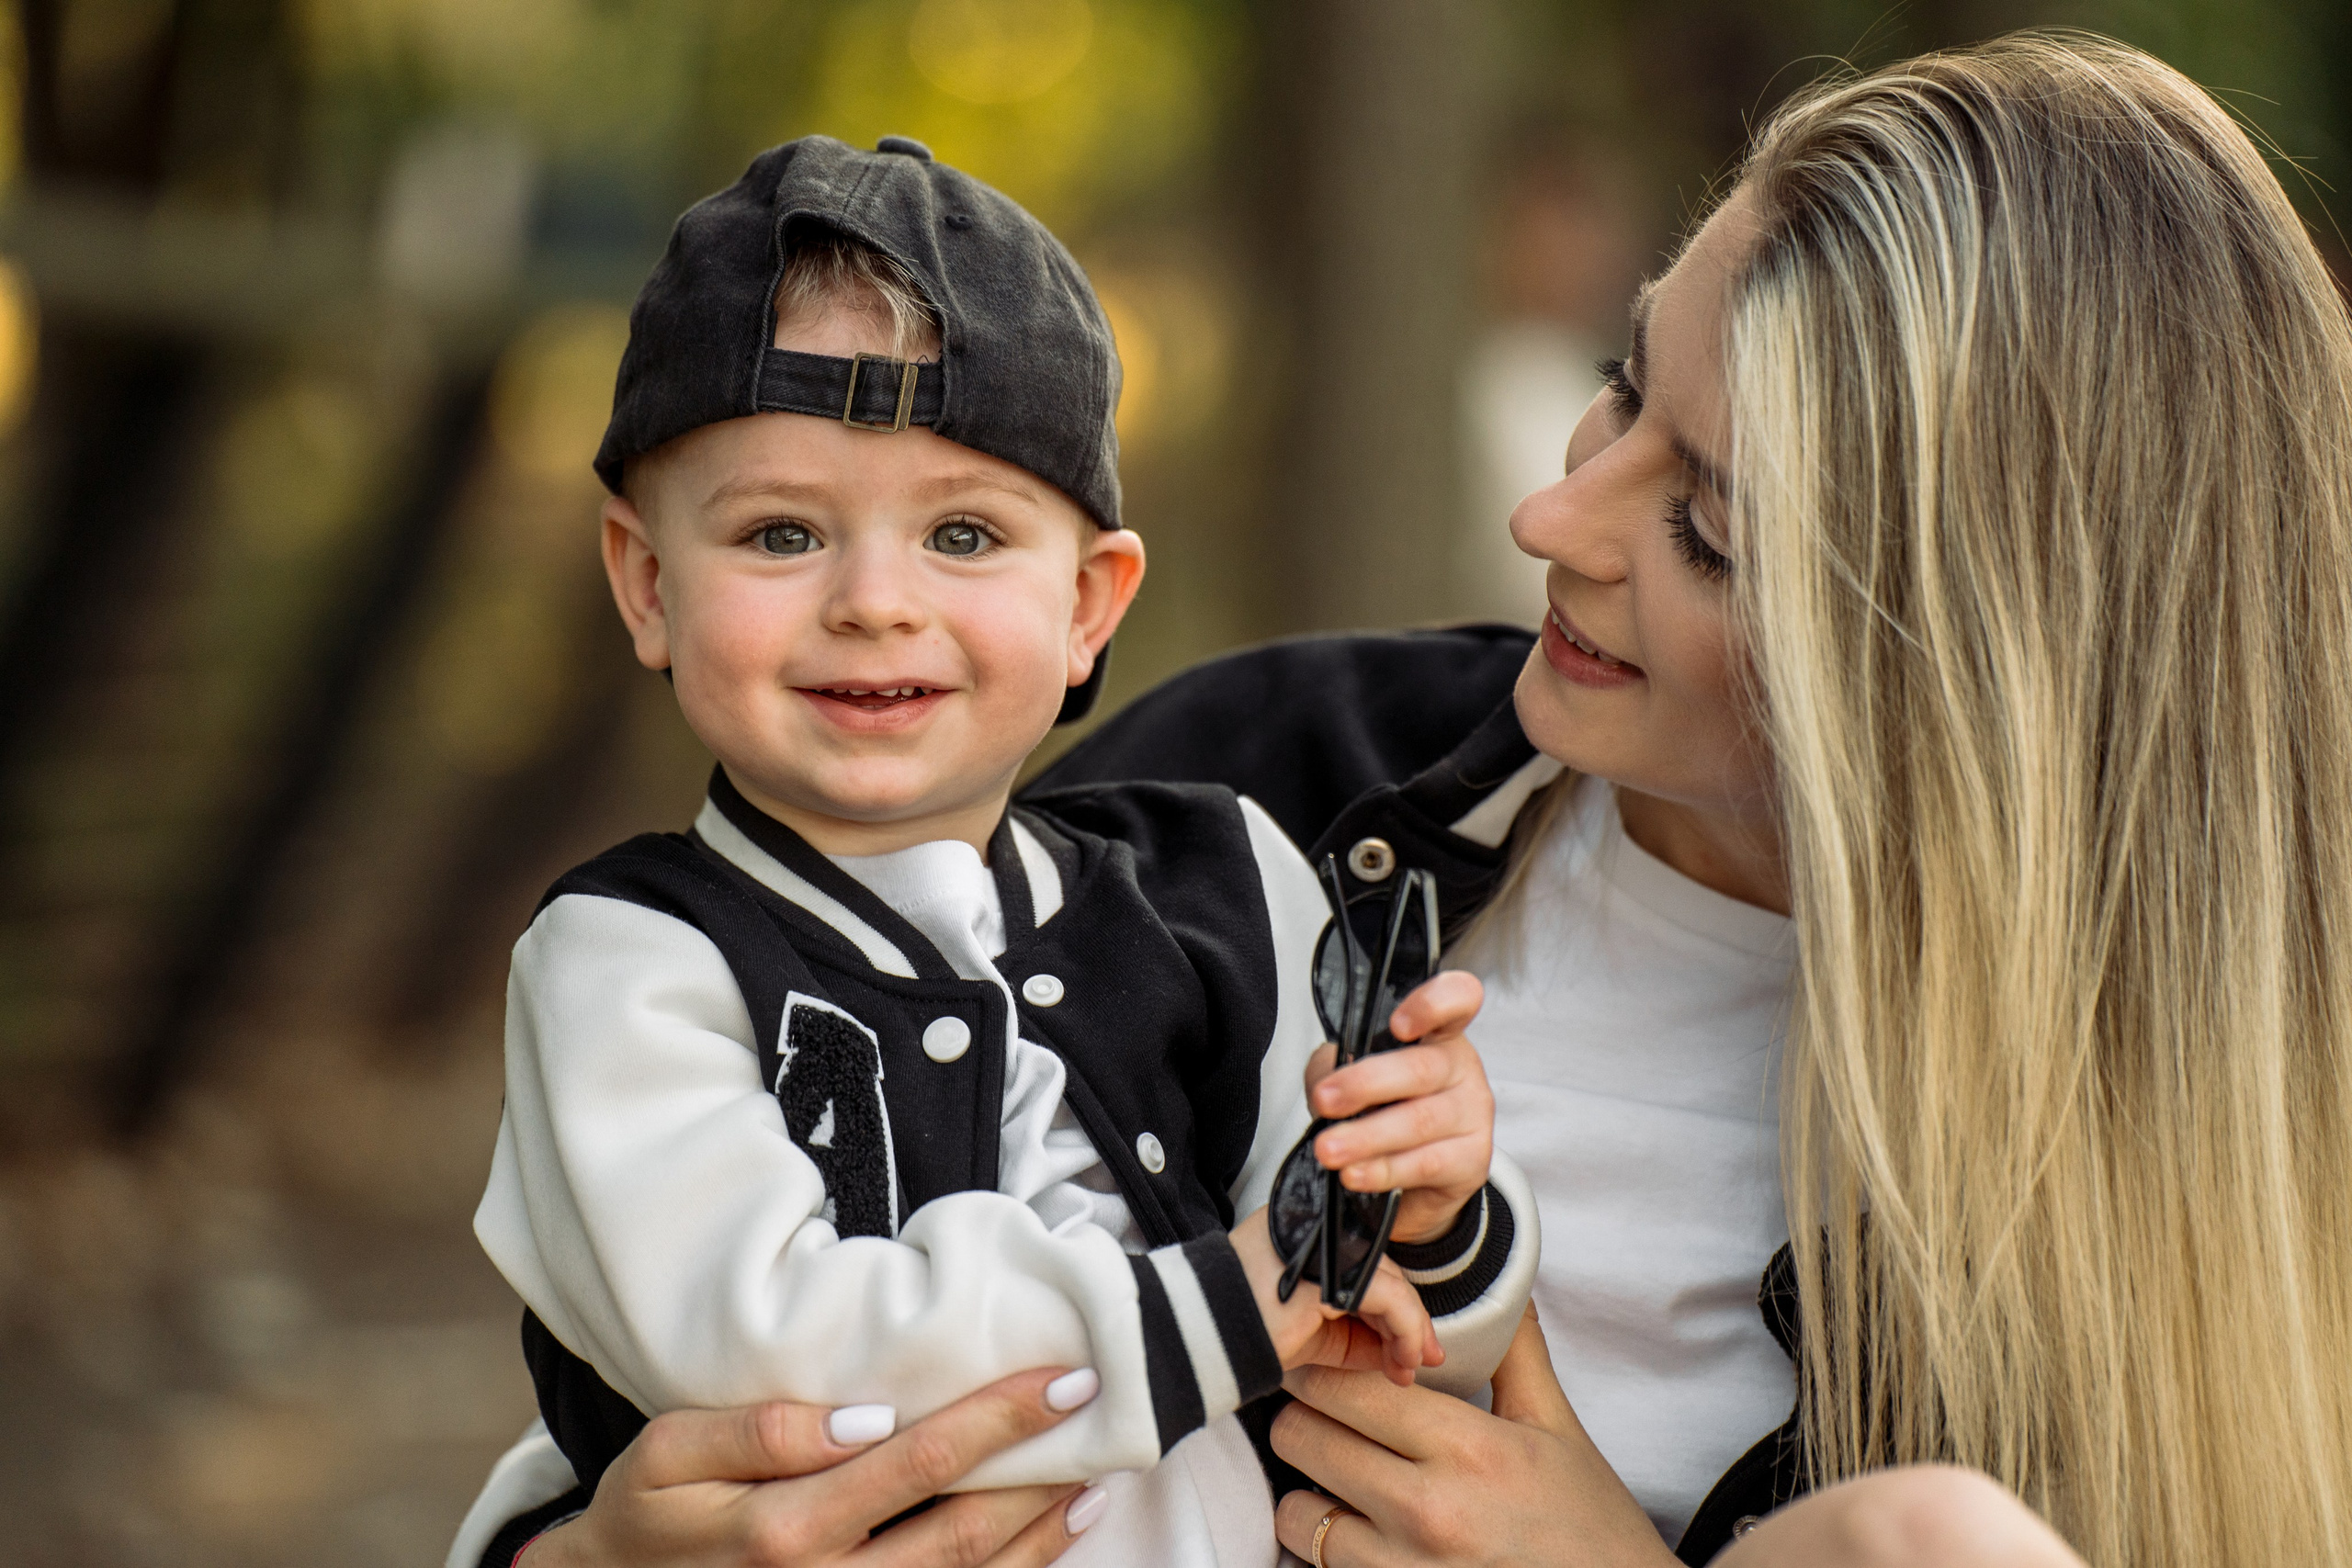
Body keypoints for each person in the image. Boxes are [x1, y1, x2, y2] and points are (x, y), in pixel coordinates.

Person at [469, 28, 2352, 1568]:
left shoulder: (2158, 1182)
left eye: (1700, 527)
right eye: (1617, 391)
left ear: (1950, 675)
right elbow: (693, 1330)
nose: (1551, 519)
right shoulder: (1243, 801)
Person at [454, 135, 1538, 1568]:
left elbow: (1376, 1326)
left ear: (1092, 605)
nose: (875, 602)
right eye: (782, 534)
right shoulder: (631, 964)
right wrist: (1214, 1308)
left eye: (964, 534)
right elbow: (770, 1360)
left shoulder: (1226, 879)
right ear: (649, 586)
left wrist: (1428, 1208)